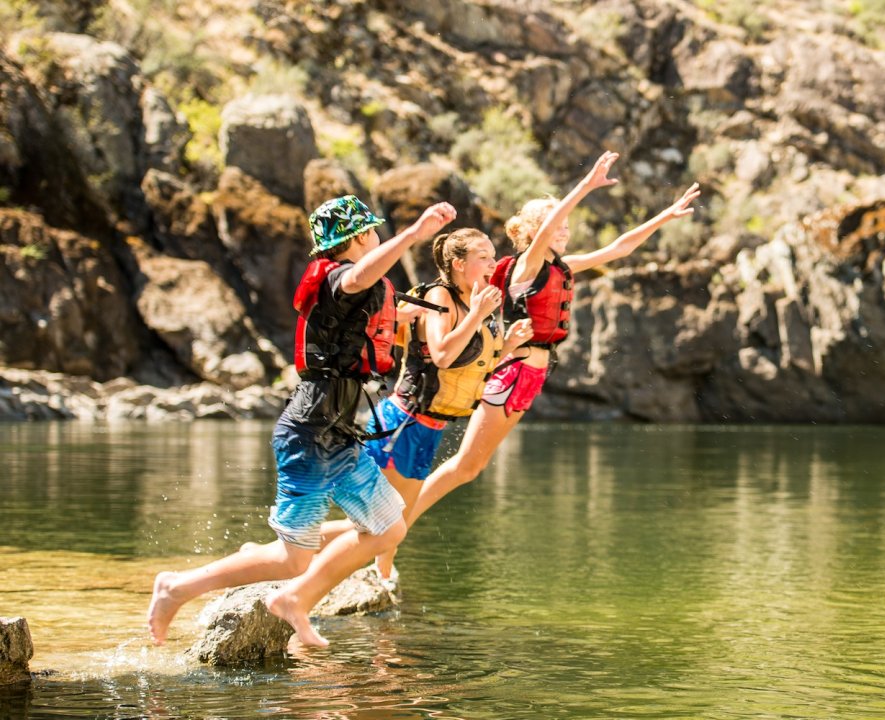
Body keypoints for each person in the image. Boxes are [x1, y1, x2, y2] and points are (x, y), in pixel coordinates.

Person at [146, 194, 457, 647]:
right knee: (294, 557)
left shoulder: (354, 289)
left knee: (389, 527)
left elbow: (366, 310)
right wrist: (414, 234)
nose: (376, 236)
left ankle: (295, 599)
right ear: (357, 238)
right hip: (310, 432)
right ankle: (176, 587)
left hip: (341, 435)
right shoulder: (338, 279)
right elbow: (359, 277)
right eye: (372, 231)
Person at [399, 151, 700, 531]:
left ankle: (395, 529)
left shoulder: (562, 267)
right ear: (533, 231)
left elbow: (619, 248)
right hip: (508, 373)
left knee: (470, 468)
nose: (564, 230)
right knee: (463, 465)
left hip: (532, 377)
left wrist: (666, 216)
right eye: (556, 225)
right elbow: (546, 230)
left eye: (566, 226)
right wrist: (586, 186)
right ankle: (395, 531)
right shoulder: (527, 265)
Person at [317, 228, 534, 580]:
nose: (494, 264)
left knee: (394, 522)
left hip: (429, 429)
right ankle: (291, 559)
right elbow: (443, 355)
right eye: (484, 256)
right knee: (379, 525)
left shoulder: (476, 301)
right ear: (459, 263)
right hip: (401, 424)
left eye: (494, 256)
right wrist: (478, 315)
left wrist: (507, 345)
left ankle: (379, 579)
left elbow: (471, 368)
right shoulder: (441, 297)